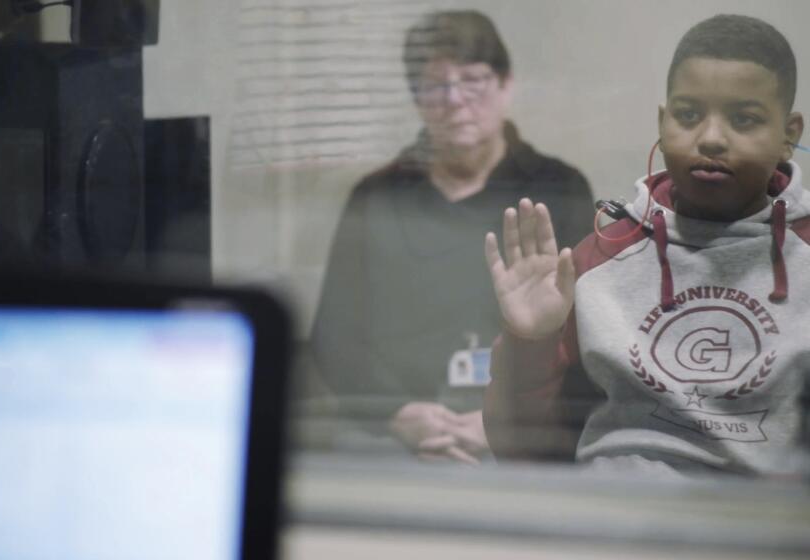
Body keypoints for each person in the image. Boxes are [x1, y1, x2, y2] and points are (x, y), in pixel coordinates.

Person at [483, 14, 807, 477]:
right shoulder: (599, 259)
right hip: (612, 524)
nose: (711, 138)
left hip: (757, 532)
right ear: (662, 120)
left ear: (788, 136)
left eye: (744, 119)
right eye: (689, 115)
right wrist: (530, 342)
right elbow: (523, 455)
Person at [310, 10, 594, 463]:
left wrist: (505, 420)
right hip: (397, 429)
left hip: (522, 424)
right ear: (417, 99)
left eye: (473, 81)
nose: (455, 100)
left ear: (506, 86)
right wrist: (401, 415)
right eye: (436, 86)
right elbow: (335, 335)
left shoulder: (557, 187)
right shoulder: (376, 196)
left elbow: (585, 327)